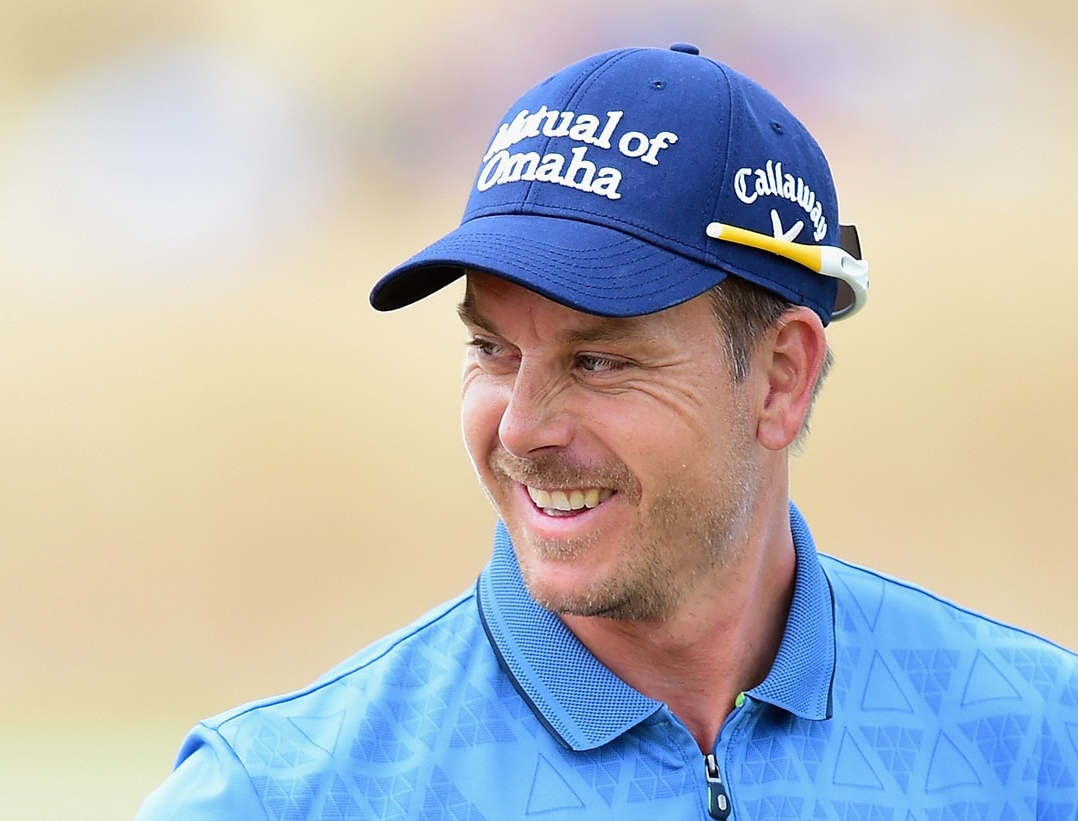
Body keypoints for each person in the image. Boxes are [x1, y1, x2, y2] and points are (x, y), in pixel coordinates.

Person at [138, 43, 1078, 819]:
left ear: (781, 377)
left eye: (597, 360)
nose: (522, 427)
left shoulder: (1041, 746)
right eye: (492, 349)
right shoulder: (282, 795)